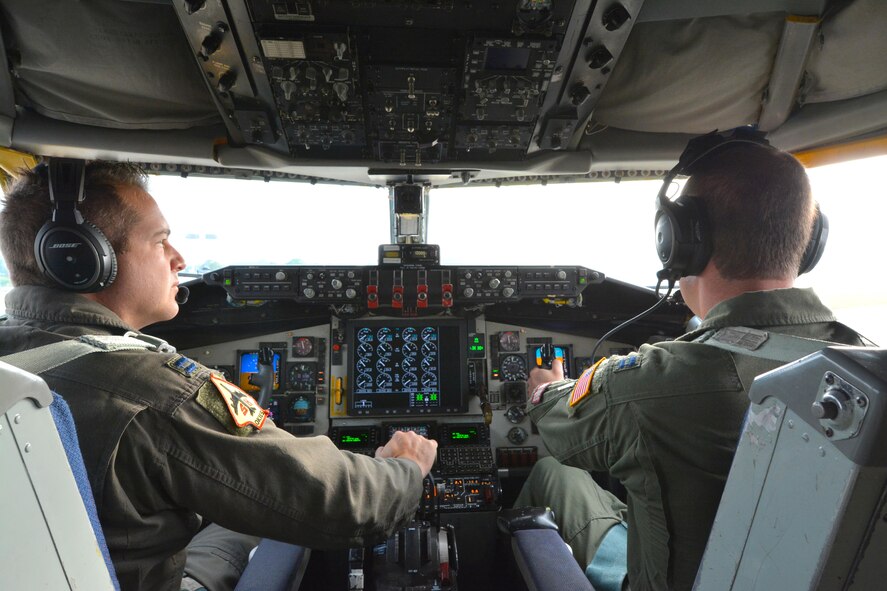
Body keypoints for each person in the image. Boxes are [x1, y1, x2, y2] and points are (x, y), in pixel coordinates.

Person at [0, 162, 438, 591]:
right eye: (160, 241)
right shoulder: (154, 389)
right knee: (273, 522)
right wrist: (406, 467)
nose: (179, 259)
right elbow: (343, 503)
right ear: (81, 259)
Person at [517, 135, 868, 591]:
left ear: (680, 242)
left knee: (552, 471)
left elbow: (558, 424)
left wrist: (544, 387)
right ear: (809, 241)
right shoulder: (866, 367)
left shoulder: (655, 384)